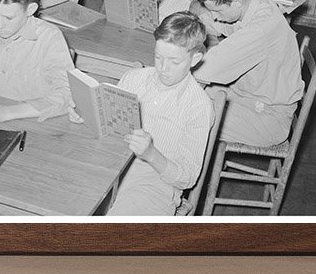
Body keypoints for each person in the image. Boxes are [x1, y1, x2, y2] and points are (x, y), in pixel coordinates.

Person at [70, 12, 212, 217]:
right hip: (111, 164)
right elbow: (106, 128)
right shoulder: (134, 78)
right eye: (158, 57)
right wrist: (83, 112)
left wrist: (151, 154)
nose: (163, 68)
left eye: (174, 61)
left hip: (154, 182)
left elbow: (187, 178)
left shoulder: (199, 106)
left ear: (194, 59)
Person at [192, 0, 303, 147]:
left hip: (268, 118)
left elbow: (209, 66)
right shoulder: (254, 1)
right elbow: (226, 25)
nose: (215, 16)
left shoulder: (260, 30)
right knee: (193, 99)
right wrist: (209, 19)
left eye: (217, 11)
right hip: (251, 96)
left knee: (190, 117)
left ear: (236, 2)